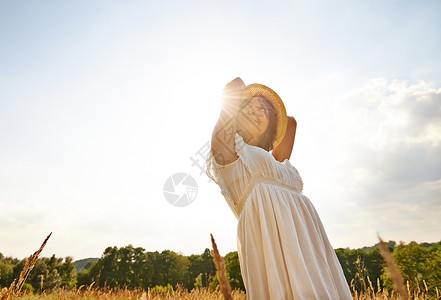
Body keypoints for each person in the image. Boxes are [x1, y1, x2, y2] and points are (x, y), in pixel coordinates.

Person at [206, 77, 353, 299]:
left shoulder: (276, 163)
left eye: (262, 110)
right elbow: (234, 87)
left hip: (307, 244)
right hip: (272, 246)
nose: (254, 112)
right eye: (248, 108)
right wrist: (243, 99)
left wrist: (269, 111)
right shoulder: (231, 156)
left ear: (272, 122)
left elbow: (291, 123)